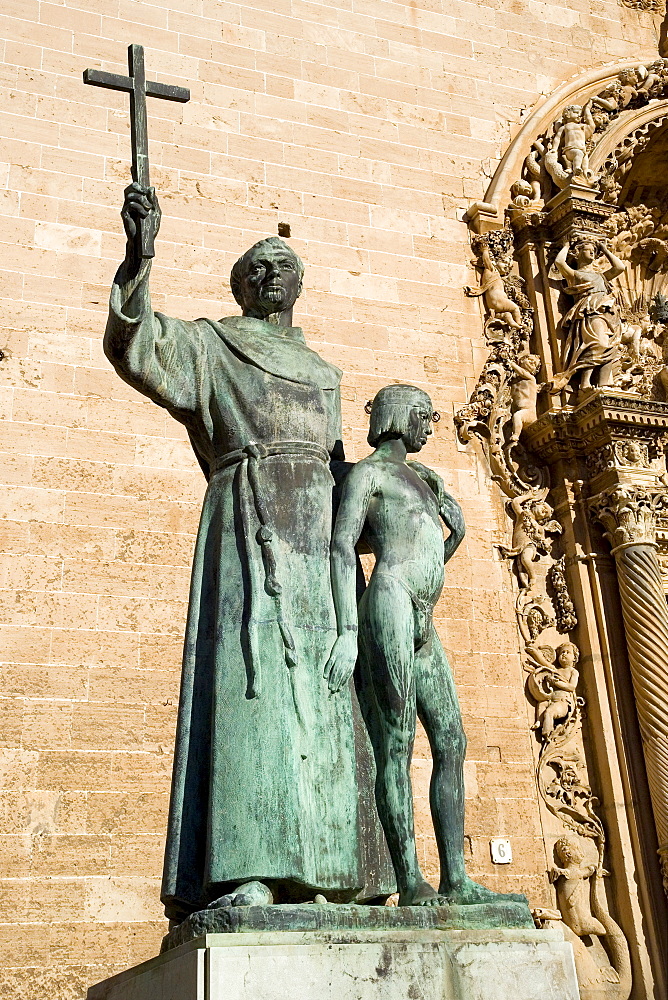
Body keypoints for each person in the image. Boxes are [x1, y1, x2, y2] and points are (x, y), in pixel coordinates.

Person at [105, 182, 384, 923]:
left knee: (328, 696)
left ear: (299, 285)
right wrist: (141, 254)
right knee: (251, 687)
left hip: (318, 539)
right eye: (256, 266)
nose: (269, 273)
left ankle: (333, 869)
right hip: (247, 517)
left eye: (281, 264)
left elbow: (339, 464)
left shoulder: (325, 373)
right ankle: (247, 870)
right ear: (241, 286)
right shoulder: (214, 343)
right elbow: (138, 347)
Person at [325, 384, 527, 909]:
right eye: (424, 416)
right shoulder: (367, 475)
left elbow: (431, 546)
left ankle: (456, 878)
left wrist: (453, 534)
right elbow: (344, 545)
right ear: (398, 416)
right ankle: (410, 879)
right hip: (388, 601)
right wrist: (348, 630)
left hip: (423, 612)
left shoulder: (424, 478)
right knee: (395, 743)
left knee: (452, 740)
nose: (430, 427)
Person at [550, 239, 626, 392]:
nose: (592, 252)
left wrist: (604, 249)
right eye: (588, 249)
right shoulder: (576, 275)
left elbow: (620, 267)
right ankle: (584, 382)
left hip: (608, 313)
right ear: (578, 253)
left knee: (611, 345)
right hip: (590, 311)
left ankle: (604, 383)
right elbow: (559, 262)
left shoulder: (601, 276)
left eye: (593, 250)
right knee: (597, 343)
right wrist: (566, 246)